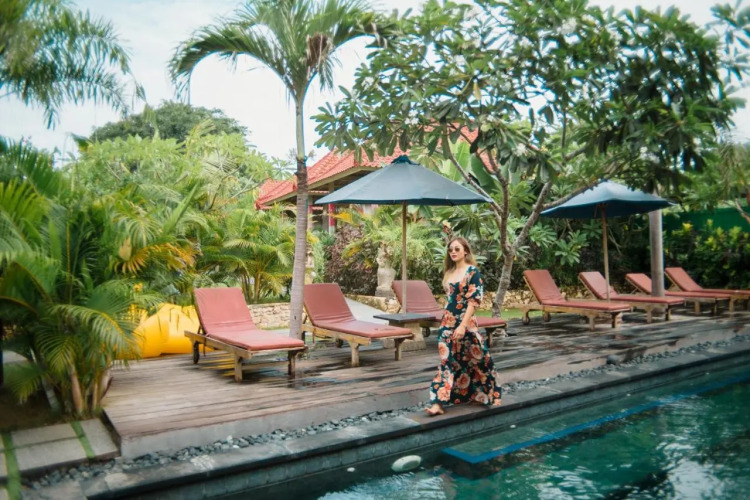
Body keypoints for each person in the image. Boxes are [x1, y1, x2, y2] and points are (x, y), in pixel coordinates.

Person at [426, 237, 502, 416]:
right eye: (450, 249)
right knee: (446, 361)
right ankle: (437, 403)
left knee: (478, 359)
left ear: (465, 251)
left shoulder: (472, 272)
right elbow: (451, 300)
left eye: (457, 249)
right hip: (447, 322)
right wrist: (449, 322)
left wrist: (462, 326)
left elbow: (474, 301)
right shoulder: (449, 273)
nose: (453, 252)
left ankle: (489, 393)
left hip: (466, 323)